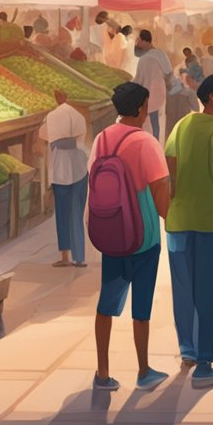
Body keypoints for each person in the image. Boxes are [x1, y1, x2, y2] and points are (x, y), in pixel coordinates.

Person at [89, 83, 172, 392]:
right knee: (141, 308)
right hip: (143, 237)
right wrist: (173, 221)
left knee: (106, 303)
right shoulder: (146, 143)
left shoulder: (101, 139)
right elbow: (161, 194)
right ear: (140, 108)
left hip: (111, 233)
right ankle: (143, 370)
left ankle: (102, 371)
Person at [165, 74, 213, 388]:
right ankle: (205, 364)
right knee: (207, 294)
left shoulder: (182, 125)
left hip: (179, 223)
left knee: (183, 291)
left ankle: (188, 351)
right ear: (212, 96)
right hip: (211, 224)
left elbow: (170, 171)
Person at [38, 89, 89, 267]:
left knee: (62, 215)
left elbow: (43, 136)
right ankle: (80, 257)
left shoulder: (51, 117)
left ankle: (65, 257)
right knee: (76, 214)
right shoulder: (78, 116)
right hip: (80, 170)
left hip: (60, 173)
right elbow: (80, 140)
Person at [133, 30, 173, 140]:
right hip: (159, 93)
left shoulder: (144, 59)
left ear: (145, 41)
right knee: (155, 123)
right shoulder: (161, 54)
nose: (138, 43)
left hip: (147, 94)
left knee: (145, 123)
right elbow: (169, 73)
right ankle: (156, 142)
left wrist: (128, 84)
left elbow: (138, 79)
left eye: (139, 41)